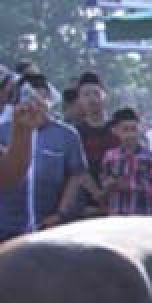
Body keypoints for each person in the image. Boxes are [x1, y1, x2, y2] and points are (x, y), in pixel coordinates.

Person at [0, 74, 91, 240]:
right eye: (28, 97)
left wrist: (61, 213)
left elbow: (76, 175)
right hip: (7, 227)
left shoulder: (67, 134)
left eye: (40, 97)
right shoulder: (4, 130)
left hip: (49, 226)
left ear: (49, 99)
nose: (34, 104)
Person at [98, 107, 152, 216]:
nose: (130, 134)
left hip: (143, 214)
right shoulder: (110, 157)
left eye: (133, 129)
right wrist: (111, 184)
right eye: (125, 130)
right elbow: (104, 181)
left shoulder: (150, 157)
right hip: (118, 214)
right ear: (115, 131)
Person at [74, 71, 119, 185]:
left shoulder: (119, 129)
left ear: (105, 96)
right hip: (84, 198)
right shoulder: (74, 134)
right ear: (79, 100)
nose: (92, 99)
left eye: (96, 93)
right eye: (86, 94)